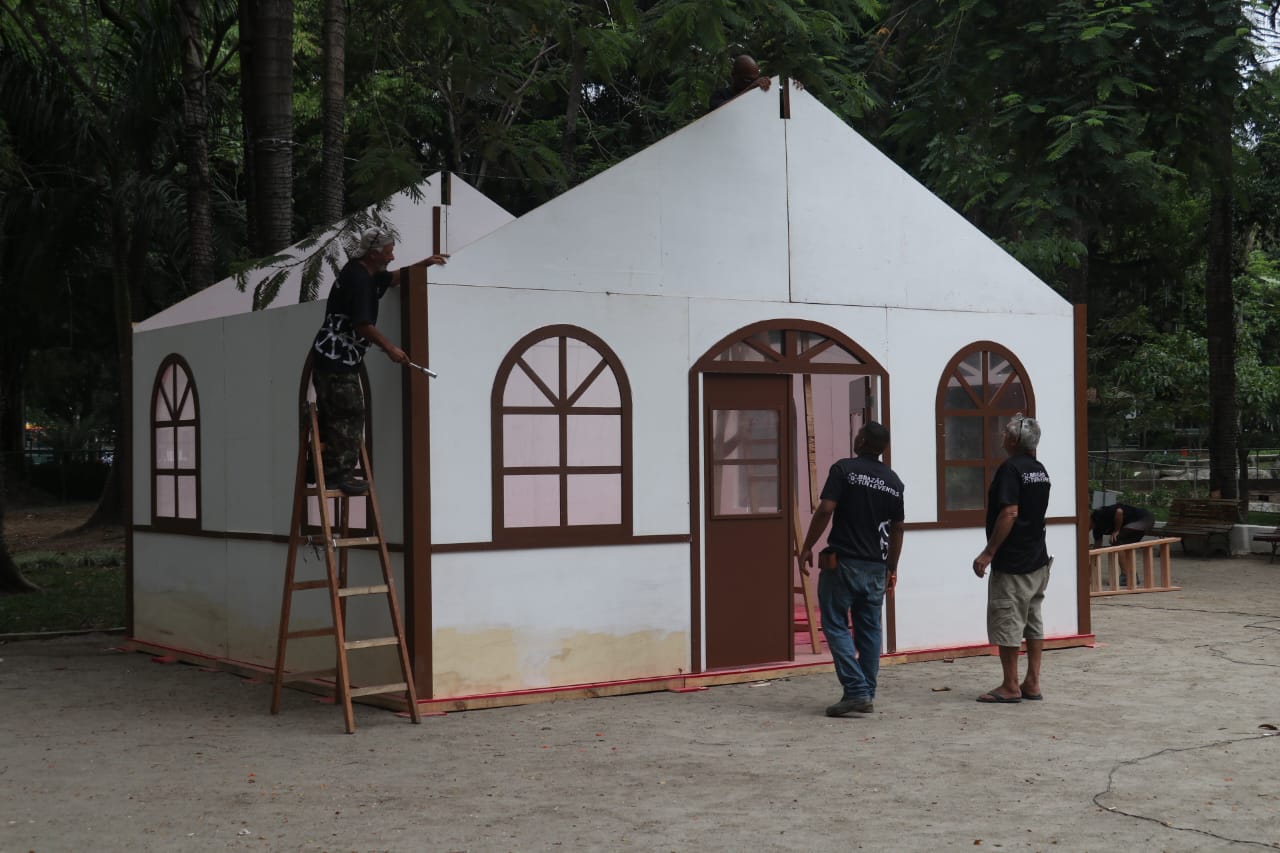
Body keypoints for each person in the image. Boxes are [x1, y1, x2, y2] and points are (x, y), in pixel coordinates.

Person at [309, 227, 446, 495]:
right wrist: (391, 348)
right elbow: (362, 324)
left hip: (331, 358)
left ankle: (320, 470)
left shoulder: (362, 272)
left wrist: (424, 265)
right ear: (374, 254)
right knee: (350, 412)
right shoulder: (360, 282)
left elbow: (393, 279)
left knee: (332, 415)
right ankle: (338, 476)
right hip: (336, 362)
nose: (392, 257)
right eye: (388, 252)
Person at [800, 422, 905, 717]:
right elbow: (897, 529)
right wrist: (891, 568)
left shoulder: (844, 470)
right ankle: (865, 692)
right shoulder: (894, 482)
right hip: (876, 567)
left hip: (844, 563)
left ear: (862, 440)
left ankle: (857, 691)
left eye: (858, 434)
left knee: (834, 624)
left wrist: (807, 546)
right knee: (870, 630)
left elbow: (825, 509)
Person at [971, 414, 1052, 704]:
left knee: (1008, 618)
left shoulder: (1010, 469)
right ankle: (1032, 682)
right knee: (1033, 620)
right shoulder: (1039, 470)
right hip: (1038, 558)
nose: (1001, 436)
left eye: (1005, 432)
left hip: (1014, 561)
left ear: (1015, 440)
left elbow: (1010, 512)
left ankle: (1010, 685)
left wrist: (988, 552)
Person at [1090, 503, 1154, 547]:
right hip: (1135, 524)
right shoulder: (1096, 530)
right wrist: (1092, 563)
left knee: (1117, 540)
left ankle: (1126, 567)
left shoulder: (1100, 514)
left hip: (1144, 518)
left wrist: (1116, 530)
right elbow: (1097, 545)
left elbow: (1119, 511)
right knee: (1120, 544)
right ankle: (1128, 566)